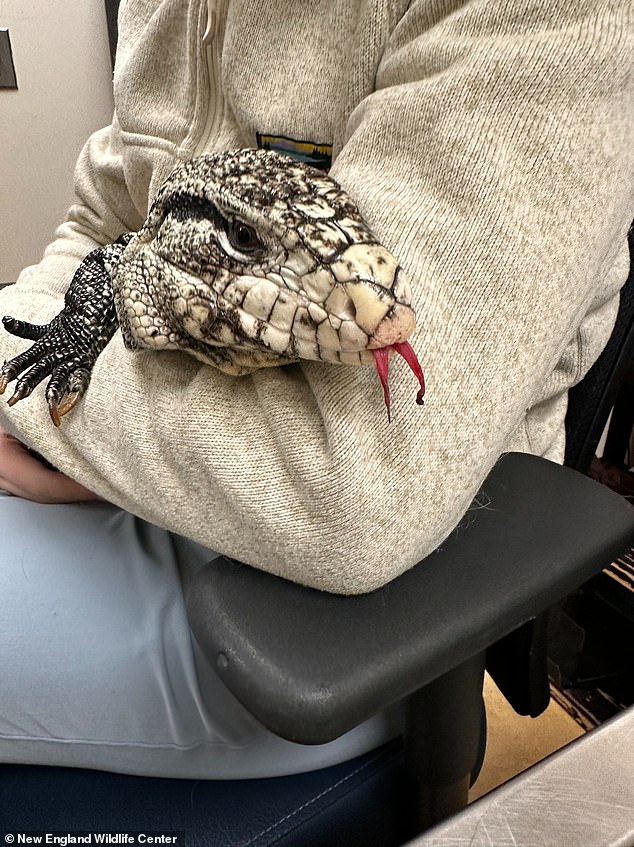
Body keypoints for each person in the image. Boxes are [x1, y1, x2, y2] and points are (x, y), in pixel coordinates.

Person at [0, 0, 632, 779]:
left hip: (331, 621)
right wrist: (29, 392)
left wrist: (44, 417)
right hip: (145, 484)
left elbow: (353, 487)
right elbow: (103, 228)